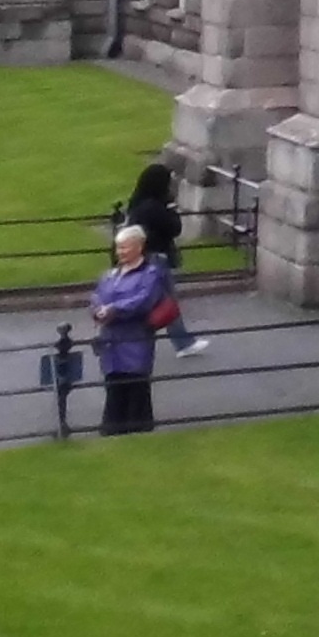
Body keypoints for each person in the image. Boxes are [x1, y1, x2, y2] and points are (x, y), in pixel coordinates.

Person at [113, 160, 200, 353]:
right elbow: (174, 228)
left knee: (155, 301)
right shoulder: (154, 207)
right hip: (156, 258)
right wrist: (171, 208)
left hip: (144, 257)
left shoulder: (138, 204)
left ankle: (179, 342)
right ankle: (182, 343)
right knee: (166, 301)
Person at [91, 225, 171, 434]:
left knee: (136, 386)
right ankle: (113, 429)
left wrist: (114, 309)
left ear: (139, 246)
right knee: (113, 386)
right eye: (118, 248)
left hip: (135, 338)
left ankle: (136, 429)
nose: (120, 252)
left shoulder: (151, 273)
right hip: (111, 339)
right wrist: (98, 310)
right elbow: (97, 296)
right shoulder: (110, 274)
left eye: (125, 248)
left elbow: (144, 300)